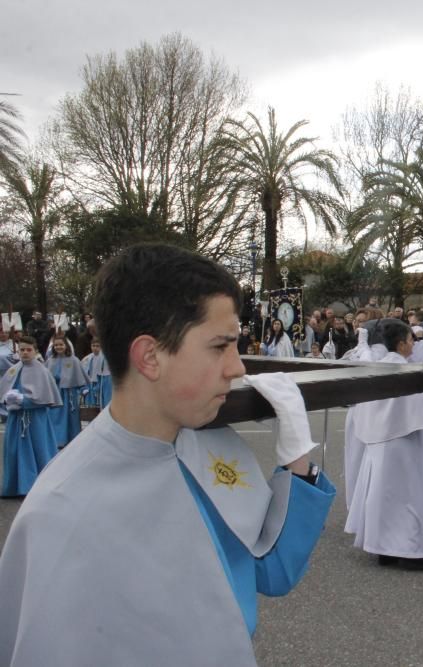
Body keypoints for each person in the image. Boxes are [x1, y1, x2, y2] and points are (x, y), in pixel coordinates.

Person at [0, 243, 335, 666]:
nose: (237, 368)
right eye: (220, 347)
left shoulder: (208, 442)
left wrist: (297, 461)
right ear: (150, 356)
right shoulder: (60, 515)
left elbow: (272, 569)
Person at [344, 319, 423, 570]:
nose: (413, 344)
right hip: (402, 442)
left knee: (382, 496)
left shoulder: (377, 368)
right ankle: (409, 549)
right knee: (407, 497)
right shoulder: (407, 372)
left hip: (378, 443)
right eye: (411, 340)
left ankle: (383, 548)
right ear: (401, 345)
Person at [1, 336, 62, 497]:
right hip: (16, 419)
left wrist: (24, 400)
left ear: (35, 351)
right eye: (22, 350)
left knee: (39, 449)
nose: (25, 353)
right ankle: (15, 486)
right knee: (15, 451)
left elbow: (45, 398)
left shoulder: (41, 370)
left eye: (29, 350)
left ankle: (39, 486)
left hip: (35, 420)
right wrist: (8, 400)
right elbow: (4, 391)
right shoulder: (14, 369)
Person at [44, 336, 88, 447]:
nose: (59, 347)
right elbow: (45, 377)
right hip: (55, 394)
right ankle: (57, 440)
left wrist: (83, 389)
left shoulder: (74, 360)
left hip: (69, 394)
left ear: (66, 346)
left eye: (61, 344)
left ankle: (71, 439)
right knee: (54, 417)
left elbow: (80, 377)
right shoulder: (50, 361)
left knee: (70, 418)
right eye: (56, 345)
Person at [81, 339, 113, 408]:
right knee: (91, 407)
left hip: (101, 383)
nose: (95, 348)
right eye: (93, 346)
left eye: (97, 346)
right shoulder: (87, 358)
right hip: (90, 385)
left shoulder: (105, 358)